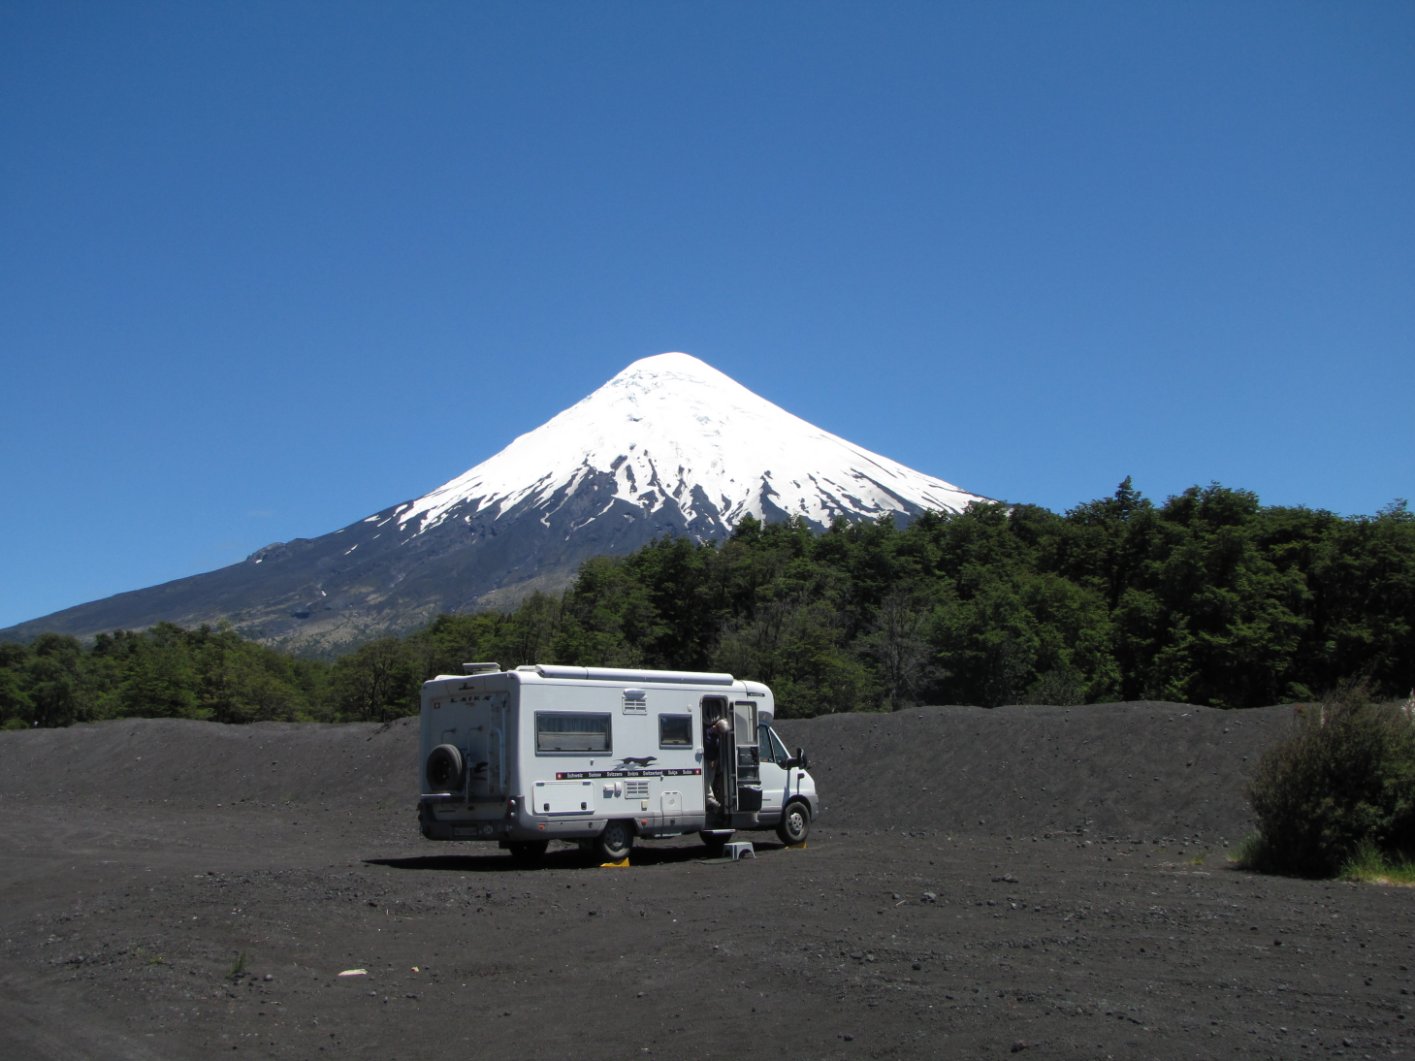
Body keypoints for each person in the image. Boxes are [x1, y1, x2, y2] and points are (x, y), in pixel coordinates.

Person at [704, 717, 730, 810]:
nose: (720, 734)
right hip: (705, 760)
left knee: (710, 780)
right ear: (717, 727)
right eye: (720, 732)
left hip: (712, 760)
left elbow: (716, 749)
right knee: (706, 780)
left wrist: (715, 760)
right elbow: (706, 747)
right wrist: (710, 759)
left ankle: (707, 801)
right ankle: (710, 798)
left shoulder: (716, 737)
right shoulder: (705, 732)